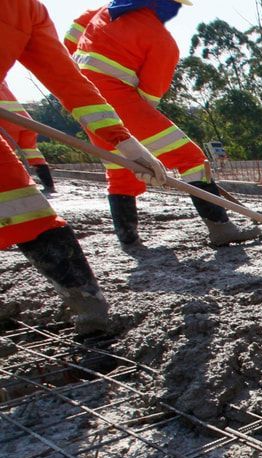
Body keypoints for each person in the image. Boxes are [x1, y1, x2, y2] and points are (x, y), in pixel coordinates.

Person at [1, 0, 166, 341]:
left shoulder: (28, 11)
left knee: (23, 207)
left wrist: (125, 142)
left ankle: (91, 313)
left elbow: (71, 83)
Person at [69, 0, 258, 247]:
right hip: (122, 104)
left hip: (84, 102)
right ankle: (221, 228)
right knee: (191, 159)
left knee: (120, 167)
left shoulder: (102, 13)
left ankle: (128, 239)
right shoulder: (161, 41)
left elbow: (69, 41)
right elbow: (149, 97)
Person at [0, 81, 55, 194]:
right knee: (34, 155)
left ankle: (16, 188)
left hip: (5, 122)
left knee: (5, 157)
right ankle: (49, 186)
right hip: (23, 121)